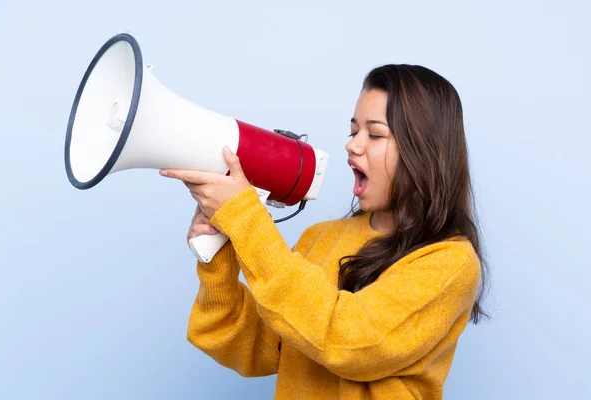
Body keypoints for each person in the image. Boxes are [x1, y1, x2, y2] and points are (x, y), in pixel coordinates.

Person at [159, 64, 490, 399]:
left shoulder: (449, 262)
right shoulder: (321, 238)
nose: (352, 146)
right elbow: (254, 348)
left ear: (426, 151)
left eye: (375, 135)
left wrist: (246, 218)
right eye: (353, 132)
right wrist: (219, 258)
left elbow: (350, 342)